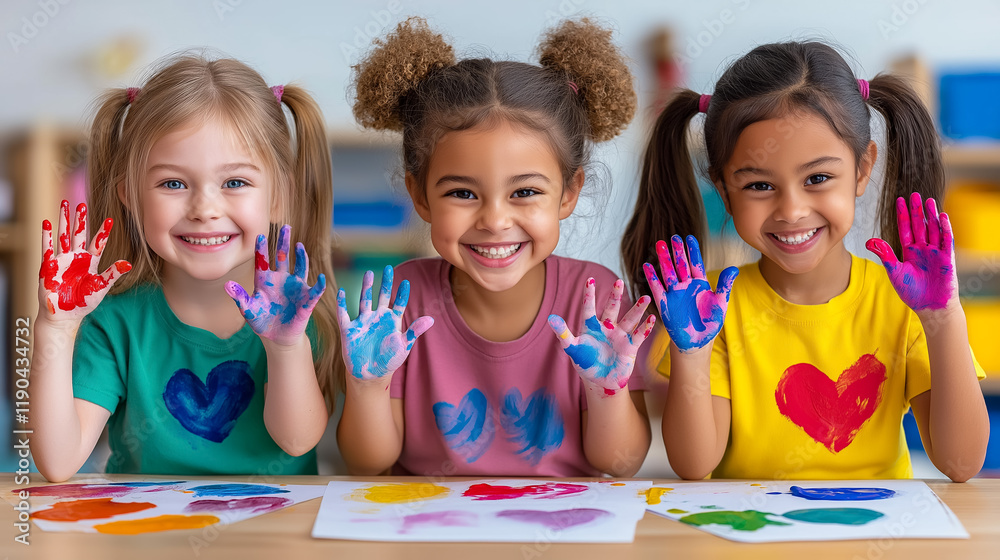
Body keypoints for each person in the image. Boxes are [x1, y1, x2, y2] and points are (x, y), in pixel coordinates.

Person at [621, 41, 989, 481]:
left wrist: (943, 318)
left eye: (817, 178)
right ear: (723, 190)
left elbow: (962, 463)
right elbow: (694, 466)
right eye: (759, 185)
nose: (791, 210)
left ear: (862, 169)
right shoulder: (711, 311)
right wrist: (692, 351)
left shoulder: (903, 303)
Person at [336, 17, 656, 477]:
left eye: (524, 192)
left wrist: (606, 390)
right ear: (420, 196)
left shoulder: (595, 302)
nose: (495, 221)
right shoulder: (400, 302)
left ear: (568, 193)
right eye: (462, 194)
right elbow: (370, 463)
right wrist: (367, 386)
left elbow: (619, 464)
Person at [30, 55, 342, 481]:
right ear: (129, 195)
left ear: (280, 195)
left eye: (235, 183)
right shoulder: (115, 322)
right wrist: (55, 328)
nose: (204, 209)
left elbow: (297, 441)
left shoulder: (293, 313)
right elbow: (58, 462)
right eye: (173, 183)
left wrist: (286, 347)